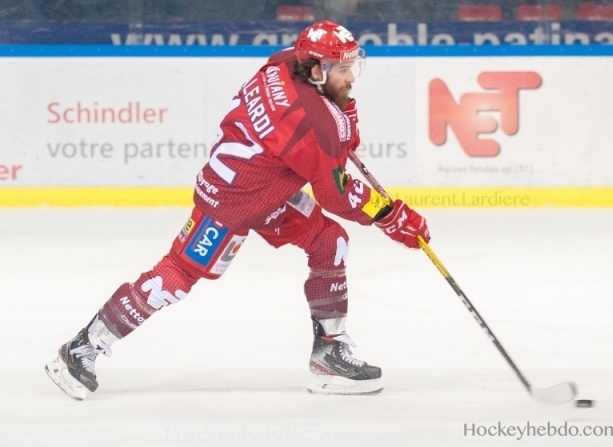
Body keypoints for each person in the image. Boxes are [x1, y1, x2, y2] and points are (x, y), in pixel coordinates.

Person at [45, 21, 431, 400]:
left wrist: (339, 124)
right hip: (233, 203)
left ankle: (329, 353)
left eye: (351, 67)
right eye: (342, 70)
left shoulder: (283, 62)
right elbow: (336, 194)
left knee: (330, 243)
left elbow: (315, 134)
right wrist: (390, 215)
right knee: (174, 277)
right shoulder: (316, 124)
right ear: (315, 70)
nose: (351, 79)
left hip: (265, 188)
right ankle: (81, 348)